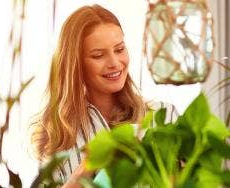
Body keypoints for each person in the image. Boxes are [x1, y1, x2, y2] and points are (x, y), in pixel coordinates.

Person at [31, 4, 178, 187]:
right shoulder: (58, 136)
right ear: (77, 65)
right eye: (98, 55)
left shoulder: (163, 116)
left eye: (119, 49)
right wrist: (90, 164)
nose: (115, 63)